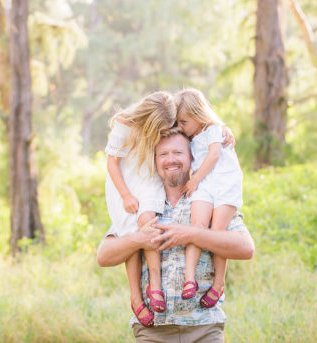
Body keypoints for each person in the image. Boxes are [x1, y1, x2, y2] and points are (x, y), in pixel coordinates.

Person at [97, 128, 254, 342]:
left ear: (192, 157)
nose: (170, 159)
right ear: (154, 160)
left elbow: (246, 248)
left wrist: (192, 234)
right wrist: (140, 239)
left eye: (178, 153)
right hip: (152, 332)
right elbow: (104, 256)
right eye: (163, 154)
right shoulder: (142, 203)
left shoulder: (209, 200)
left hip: (205, 329)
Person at [105, 91, 177, 327]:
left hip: (149, 176)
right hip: (125, 180)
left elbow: (196, 122)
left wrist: (223, 132)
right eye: (160, 131)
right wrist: (126, 195)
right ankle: (135, 297)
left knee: (148, 220)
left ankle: (155, 284)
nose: (163, 134)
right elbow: (111, 163)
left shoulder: (169, 116)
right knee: (133, 235)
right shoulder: (124, 125)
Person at [174, 88, 244, 309]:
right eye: (178, 122)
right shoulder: (189, 137)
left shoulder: (214, 129)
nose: (181, 126)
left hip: (225, 184)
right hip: (205, 185)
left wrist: (194, 180)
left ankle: (218, 283)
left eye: (184, 122)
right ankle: (189, 279)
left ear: (198, 115)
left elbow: (214, 154)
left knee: (217, 232)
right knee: (197, 227)